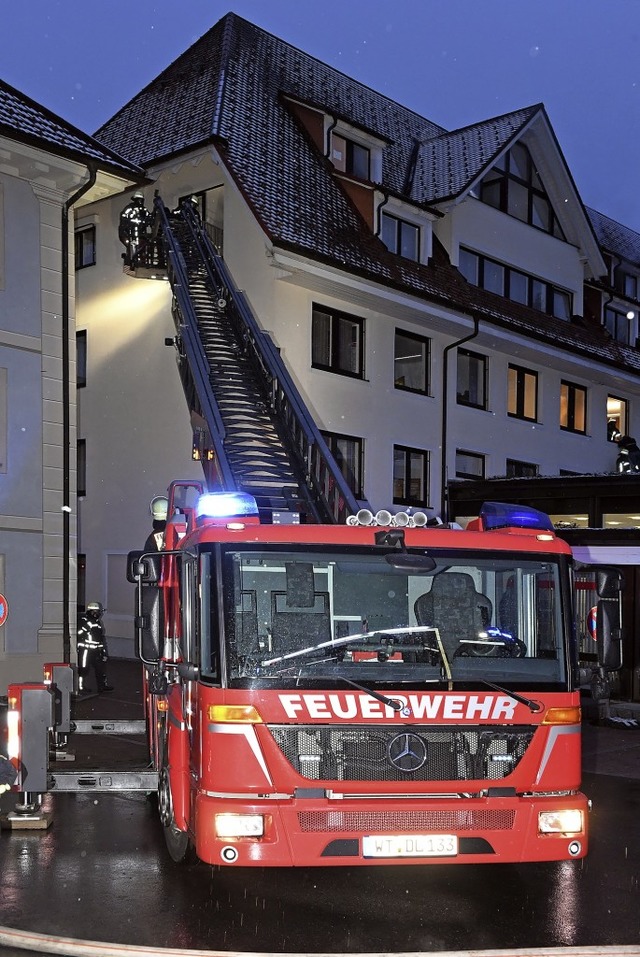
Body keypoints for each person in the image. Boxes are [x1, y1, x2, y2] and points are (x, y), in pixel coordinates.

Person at [77, 601, 113, 694]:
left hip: (96, 650)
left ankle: (102, 686)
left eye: (98, 611)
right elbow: (79, 634)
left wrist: (103, 651)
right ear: (90, 611)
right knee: (83, 669)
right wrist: (85, 627)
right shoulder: (84, 621)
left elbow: (100, 638)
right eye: (94, 611)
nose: (96, 614)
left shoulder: (97, 623)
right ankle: (80, 687)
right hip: (85, 650)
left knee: (100, 668)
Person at [118, 191, 152, 267]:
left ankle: (141, 262)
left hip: (141, 234)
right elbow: (123, 216)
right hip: (131, 233)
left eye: (141, 200)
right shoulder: (129, 208)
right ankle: (131, 262)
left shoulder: (144, 210)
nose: (140, 201)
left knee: (142, 248)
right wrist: (128, 225)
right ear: (135, 199)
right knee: (132, 248)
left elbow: (149, 218)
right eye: (139, 199)